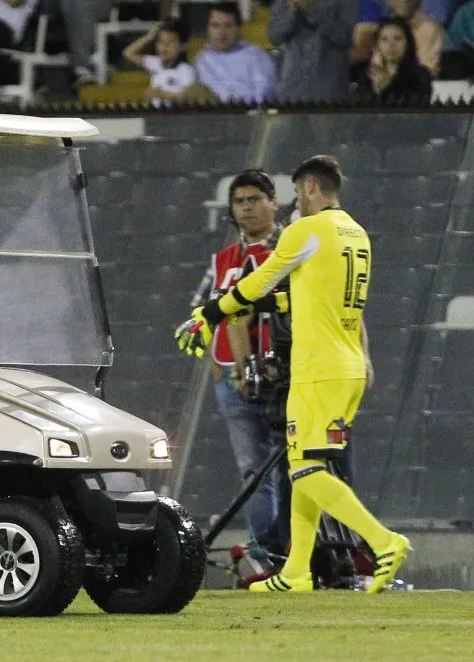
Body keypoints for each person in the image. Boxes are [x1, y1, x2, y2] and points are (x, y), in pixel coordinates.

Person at [176, 155, 411, 594]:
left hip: (317, 369)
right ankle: (297, 571)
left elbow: (260, 280)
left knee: (306, 470)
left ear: (311, 188)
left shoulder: (306, 231)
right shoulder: (355, 233)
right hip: (347, 367)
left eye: (298, 192)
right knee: (307, 464)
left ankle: (383, 541)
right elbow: (298, 297)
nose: (296, 202)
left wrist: (211, 313)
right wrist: (247, 307)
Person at [188, 170, 287, 572]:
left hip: (284, 375)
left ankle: (294, 553)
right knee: (252, 471)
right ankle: (266, 558)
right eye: (240, 201)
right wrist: (214, 366)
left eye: (255, 199)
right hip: (231, 379)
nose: (247, 207)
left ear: (273, 202)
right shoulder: (222, 260)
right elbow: (198, 315)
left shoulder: (291, 248)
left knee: (292, 469)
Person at [268, 0, 355, 104]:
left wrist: (313, 11)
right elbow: (275, 36)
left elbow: (345, 37)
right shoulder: (284, 1)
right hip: (292, 88)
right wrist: (292, 11)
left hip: (329, 90)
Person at [350, 16, 432, 105]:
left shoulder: (421, 75)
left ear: (408, 43)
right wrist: (376, 89)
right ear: (376, 45)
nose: (391, 44)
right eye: (384, 39)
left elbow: (416, 106)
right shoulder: (365, 73)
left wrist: (386, 87)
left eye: (397, 38)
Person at [121, 19, 198, 107]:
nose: (164, 48)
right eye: (161, 42)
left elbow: (190, 98)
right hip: (155, 113)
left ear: (182, 46)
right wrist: (149, 37)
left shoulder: (186, 70)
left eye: (170, 43)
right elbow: (128, 53)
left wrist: (162, 94)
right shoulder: (155, 63)